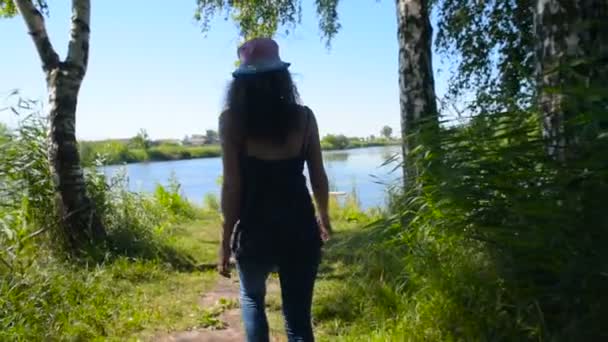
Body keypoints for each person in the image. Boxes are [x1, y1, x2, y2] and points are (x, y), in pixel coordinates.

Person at [217, 37, 332, 342]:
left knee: (253, 300)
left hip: (254, 232)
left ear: (240, 83)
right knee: (297, 320)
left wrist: (225, 238)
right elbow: (318, 175)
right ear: (283, 78)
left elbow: (232, 186)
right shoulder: (304, 118)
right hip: (299, 230)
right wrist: (324, 216)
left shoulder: (231, 122)